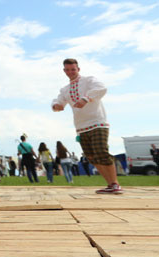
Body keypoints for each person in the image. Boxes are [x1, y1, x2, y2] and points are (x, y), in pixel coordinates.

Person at [52, 58, 122, 194]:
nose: (70, 72)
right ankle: (110, 185)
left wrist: (85, 98)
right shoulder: (65, 89)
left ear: (78, 69)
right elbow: (59, 100)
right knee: (91, 156)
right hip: (81, 126)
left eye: (73, 69)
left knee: (101, 152)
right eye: (67, 70)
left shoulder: (89, 80)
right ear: (64, 71)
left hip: (97, 122)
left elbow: (101, 88)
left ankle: (115, 183)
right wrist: (56, 106)